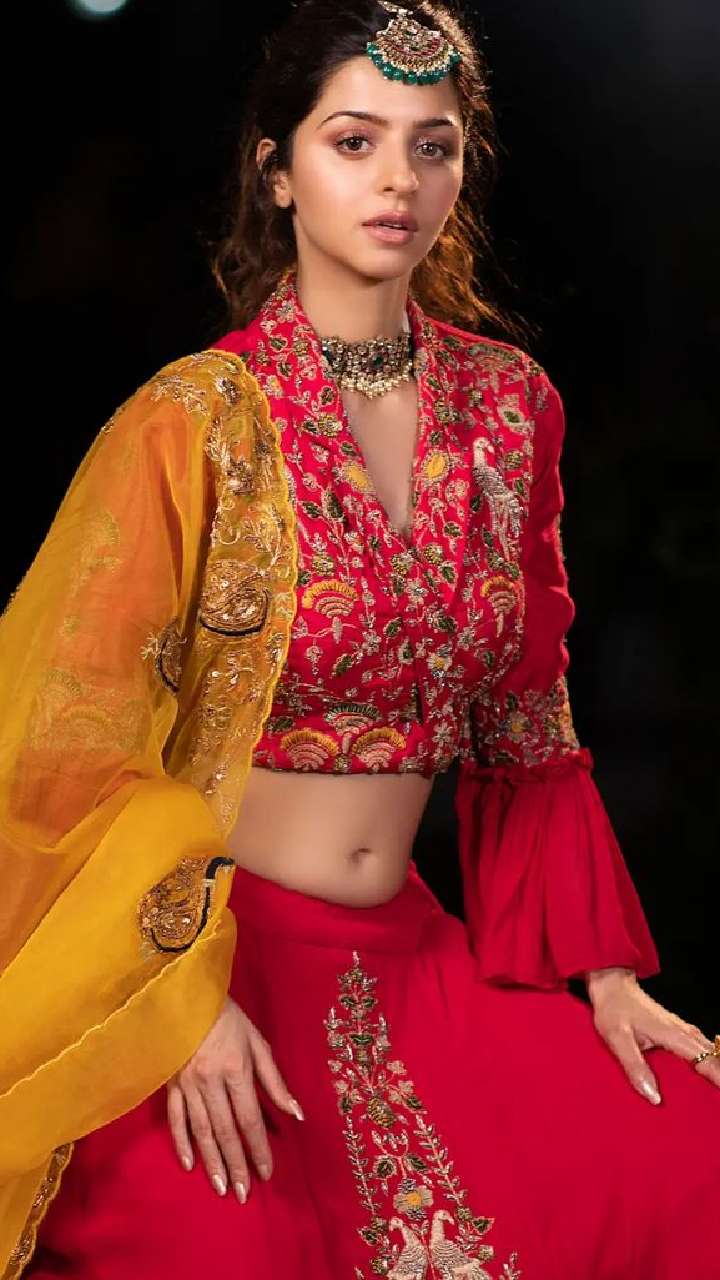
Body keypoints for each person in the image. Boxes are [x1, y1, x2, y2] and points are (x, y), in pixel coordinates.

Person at [1, 1, 718, 1277]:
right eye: (353, 141)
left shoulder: (510, 410)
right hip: (212, 965)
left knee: (690, 1159)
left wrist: (607, 976)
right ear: (275, 171)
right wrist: (172, 999)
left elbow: (527, 724)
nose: (398, 179)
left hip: (421, 955)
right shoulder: (193, 422)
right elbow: (65, 750)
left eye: (431, 146)